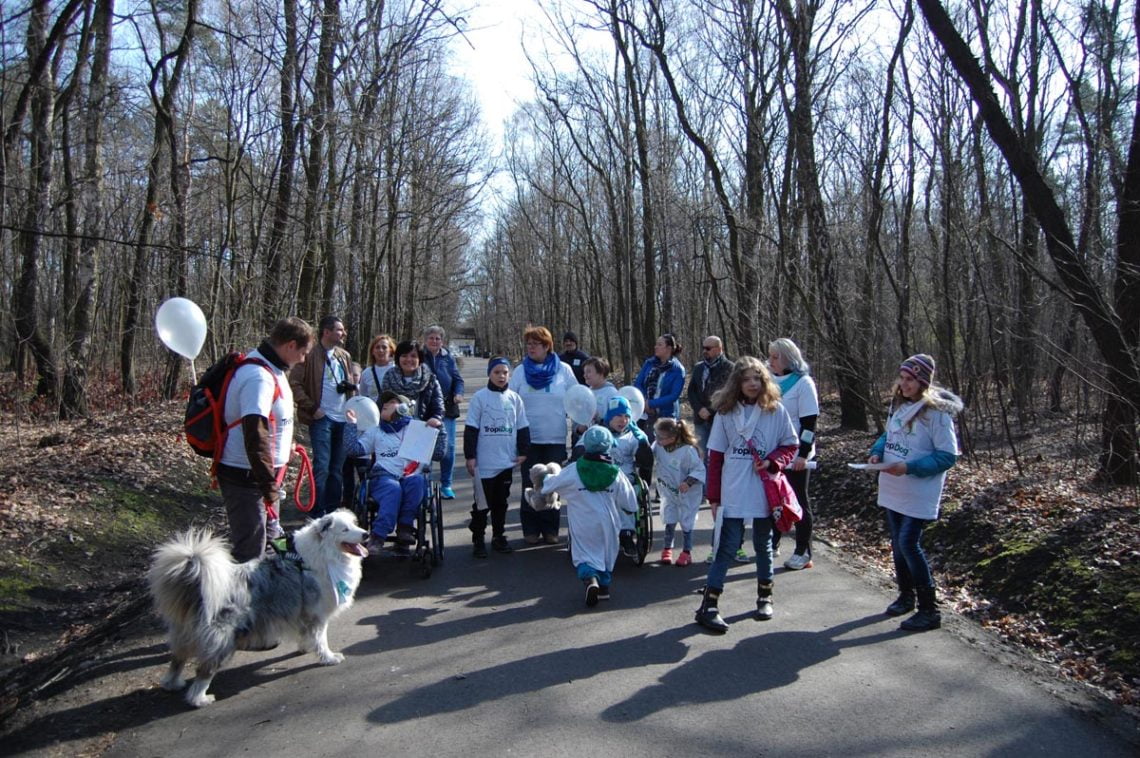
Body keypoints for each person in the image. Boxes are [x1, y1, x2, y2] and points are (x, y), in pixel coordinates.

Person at [695, 356, 797, 633]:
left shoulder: (776, 411)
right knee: (726, 548)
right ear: (737, 383)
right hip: (733, 490)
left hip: (764, 490)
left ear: (764, 381)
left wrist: (773, 461)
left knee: (763, 545)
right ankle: (710, 605)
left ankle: (765, 596)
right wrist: (713, 497)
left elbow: (790, 445)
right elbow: (714, 457)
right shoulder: (726, 413)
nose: (752, 383)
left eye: (757, 378)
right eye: (746, 379)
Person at [869, 354, 961, 632]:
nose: (904, 384)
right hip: (894, 486)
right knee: (897, 543)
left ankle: (929, 609)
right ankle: (905, 595)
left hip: (918, 488)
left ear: (923, 382)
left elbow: (947, 456)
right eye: (903, 378)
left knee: (909, 543)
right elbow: (889, 435)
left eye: (911, 380)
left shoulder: (937, 414)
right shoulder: (900, 406)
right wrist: (876, 452)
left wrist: (909, 467)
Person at [217, 317, 314, 561]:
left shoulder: (274, 369)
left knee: (274, 543)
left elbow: (273, 420)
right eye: (303, 352)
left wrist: (286, 444)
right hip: (248, 478)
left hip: (264, 477)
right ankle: (239, 599)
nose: (304, 358)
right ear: (290, 346)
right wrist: (268, 485)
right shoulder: (258, 376)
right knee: (251, 553)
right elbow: (255, 432)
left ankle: (269, 595)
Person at [540, 426, 638, 607]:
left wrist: (545, 476)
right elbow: (630, 503)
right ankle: (604, 588)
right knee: (607, 553)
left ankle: (590, 579)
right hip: (608, 522)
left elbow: (550, 485)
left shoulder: (574, 469)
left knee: (584, 554)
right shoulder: (616, 473)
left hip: (582, 521)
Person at [508, 326, 579, 544]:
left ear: (547, 346)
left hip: (555, 437)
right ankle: (530, 529)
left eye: (535, 344)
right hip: (528, 438)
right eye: (528, 344)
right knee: (530, 484)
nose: (530, 348)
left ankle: (550, 529)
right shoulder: (520, 371)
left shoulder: (564, 370)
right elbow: (510, 403)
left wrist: (582, 423)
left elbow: (576, 399)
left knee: (552, 483)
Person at [289, 315, 355, 517]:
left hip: (343, 419)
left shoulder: (344, 356)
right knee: (322, 467)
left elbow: (349, 385)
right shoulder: (309, 355)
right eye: (339, 330)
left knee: (337, 469)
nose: (343, 333)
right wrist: (311, 408)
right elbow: (295, 384)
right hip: (321, 419)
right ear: (326, 332)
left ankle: (333, 512)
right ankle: (317, 513)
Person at [464, 357, 530, 557]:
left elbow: (522, 426)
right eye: (497, 372)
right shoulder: (480, 398)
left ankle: (499, 536)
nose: (501, 376)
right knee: (482, 505)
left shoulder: (515, 399)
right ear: (489, 374)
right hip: (484, 464)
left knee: (501, 502)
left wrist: (524, 451)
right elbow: (471, 428)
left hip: (505, 461)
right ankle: (478, 539)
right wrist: (470, 456)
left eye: (504, 372)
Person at [346, 391, 425, 556]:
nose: (385, 404)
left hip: (409, 475)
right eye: (384, 403)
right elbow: (353, 450)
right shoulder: (375, 431)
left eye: (392, 401)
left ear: (404, 408)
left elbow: (438, 453)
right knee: (392, 488)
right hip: (384, 476)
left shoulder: (416, 429)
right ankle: (378, 535)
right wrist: (351, 425)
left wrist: (437, 428)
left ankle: (405, 528)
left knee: (417, 481)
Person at [768, 338, 819, 571]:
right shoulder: (769, 381)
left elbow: (809, 424)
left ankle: (803, 551)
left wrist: (803, 454)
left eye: (776, 357)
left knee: (797, 499)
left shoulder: (803, 383)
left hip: (796, 455)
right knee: (772, 499)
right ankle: (773, 542)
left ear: (789, 358)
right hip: (773, 453)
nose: (771, 361)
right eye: (770, 356)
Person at [653, 417, 705, 567]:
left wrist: (688, 482)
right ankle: (667, 548)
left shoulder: (687, 451)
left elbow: (699, 470)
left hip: (687, 494)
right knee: (670, 520)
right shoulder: (659, 445)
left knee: (686, 522)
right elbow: (649, 452)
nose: (657, 439)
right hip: (669, 491)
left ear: (673, 437)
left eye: (661, 437)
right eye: (656, 435)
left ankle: (686, 552)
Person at [422, 325, 465, 499]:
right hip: (425, 408)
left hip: (447, 408)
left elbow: (458, 379)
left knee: (447, 447)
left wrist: (458, 393)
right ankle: (425, 485)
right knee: (425, 448)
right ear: (425, 340)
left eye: (437, 338)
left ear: (442, 341)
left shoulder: (448, 358)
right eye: (431, 338)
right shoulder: (418, 356)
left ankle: (446, 484)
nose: (434, 341)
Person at [380, 340, 444, 430]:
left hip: (422, 429)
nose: (409, 359)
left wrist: (436, 418)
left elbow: (438, 406)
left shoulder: (430, 379)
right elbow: (381, 405)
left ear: (420, 359)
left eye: (413, 356)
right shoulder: (388, 378)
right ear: (398, 358)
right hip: (393, 430)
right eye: (404, 356)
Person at [633, 334, 686, 442]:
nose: (655, 347)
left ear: (669, 348)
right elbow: (638, 383)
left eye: (660, 344)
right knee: (646, 445)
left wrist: (651, 404)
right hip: (645, 413)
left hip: (666, 414)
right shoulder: (649, 363)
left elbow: (673, 395)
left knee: (665, 446)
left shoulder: (678, 369)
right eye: (656, 344)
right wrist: (644, 402)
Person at [688, 336, 733, 457]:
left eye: (708, 348)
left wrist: (710, 411)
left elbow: (729, 394)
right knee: (701, 455)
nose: (704, 351)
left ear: (719, 349)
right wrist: (699, 409)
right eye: (703, 348)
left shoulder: (730, 368)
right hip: (700, 419)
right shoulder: (699, 368)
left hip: (719, 419)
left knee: (716, 456)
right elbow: (691, 391)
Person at [358, 334, 396, 403]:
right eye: (377, 347)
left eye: (384, 347)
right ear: (372, 351)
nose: (381, 350)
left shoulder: (397, 369)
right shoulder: (366, 373)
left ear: (391, 350)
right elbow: (363, 396)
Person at [582, 356, 619, 424]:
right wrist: (578, 429)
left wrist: (597, 419)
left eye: (588, 372)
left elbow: (616, 421)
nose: (585, 375)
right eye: (584, 372)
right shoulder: (586, 392)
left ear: (601, 373)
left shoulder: (612, 394)